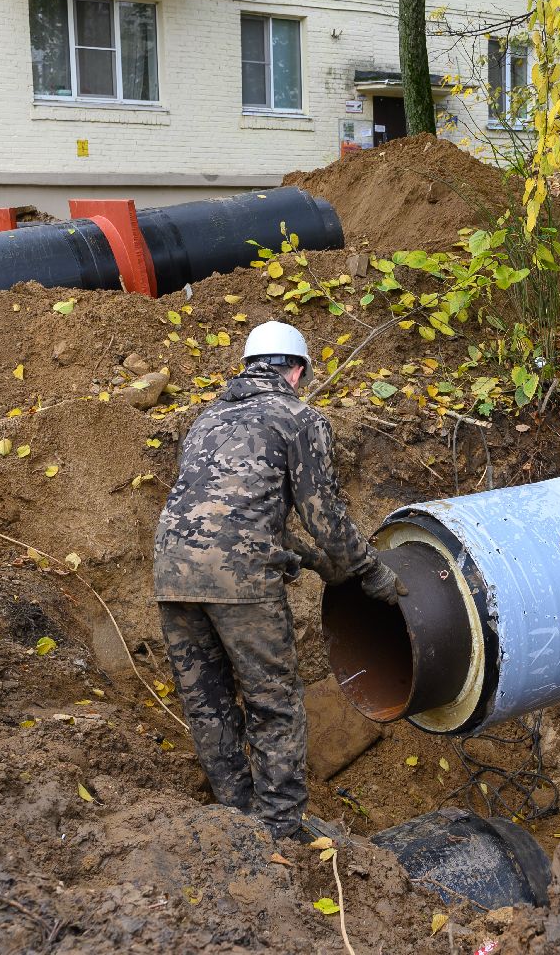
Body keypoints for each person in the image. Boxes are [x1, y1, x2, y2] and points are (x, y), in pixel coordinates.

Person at [153, 320, 405, 841]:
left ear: (249, 366)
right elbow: (325, 516)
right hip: (240, 583)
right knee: (274, 703)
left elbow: (235, 512)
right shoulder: (299, 418)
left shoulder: (206, 420)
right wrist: (372, 571)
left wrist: (306, 559)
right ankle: (280, 829)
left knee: (207, 702)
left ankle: (237, 818)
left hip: (172, 573)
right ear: (297, 370)